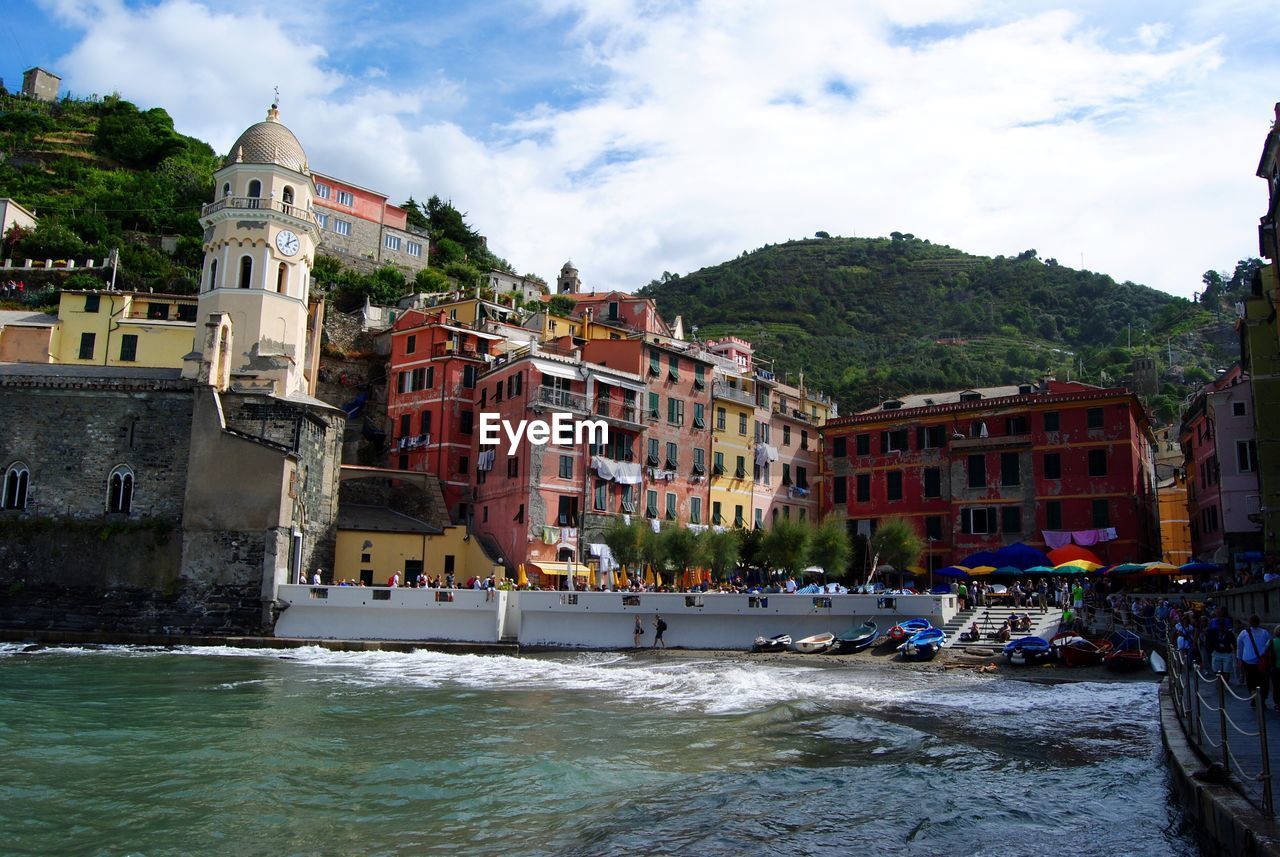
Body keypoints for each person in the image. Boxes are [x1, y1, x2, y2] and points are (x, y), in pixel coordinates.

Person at [1237, 615, 1273, 703]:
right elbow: (1269, 645)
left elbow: (1240, 647)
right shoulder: (1265, 633)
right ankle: (1262, 699)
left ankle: (1254, 698)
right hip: (1262, 661)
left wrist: (1239, 659)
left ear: (1250, 623)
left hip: (1248, 661)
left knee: (1251, 681)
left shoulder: (1244, 633)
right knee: (1263, 682)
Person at [1206, 611, 1236, 678]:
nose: (1221, 628)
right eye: (1220, 626)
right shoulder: (1214, 633)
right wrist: (1211, 649)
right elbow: (1209, 640)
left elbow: (1233, 642)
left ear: (1225, 626)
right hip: (1216, 652)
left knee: (1227, 670)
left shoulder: (1229, 633)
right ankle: (1218, 683)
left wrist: (1232, 649)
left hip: (1227, 653)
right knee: (1216, 670)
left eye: (1223, 626)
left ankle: (1226, 682)